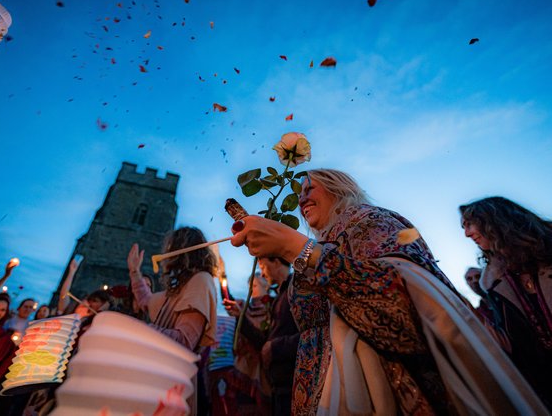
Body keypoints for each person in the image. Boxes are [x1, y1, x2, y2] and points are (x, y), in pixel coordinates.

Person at [231, 169, 547, 415]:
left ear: (339, 187)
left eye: (310, 187)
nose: (302, 197)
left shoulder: (369, 220)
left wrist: (295, 247)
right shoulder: (328, 239)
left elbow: (404, 312)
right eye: (299, 193)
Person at [460, 196, 552, 409]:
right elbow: (510, 344)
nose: (466, 233)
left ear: (495, 220)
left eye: (470, 224)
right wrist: (464, 311)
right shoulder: (494, 284)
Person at [128, 227, 218, 415]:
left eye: (169, 247)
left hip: (173, 385)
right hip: (158, 379)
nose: (165, 254)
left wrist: (139, 330)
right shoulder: (179, 288)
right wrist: (135, 272)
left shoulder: (201, 280)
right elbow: (147, 300)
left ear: (181, 249)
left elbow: (184, 341)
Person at [224, 257, 299, 416]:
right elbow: (263, 341)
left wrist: (275, 347)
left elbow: (311, 337)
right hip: (275, 382)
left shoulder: (296, 291)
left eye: (263, 266)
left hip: (288, 381)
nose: (263, 273)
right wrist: (240, 317)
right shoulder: (280, 297)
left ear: (277, 262)